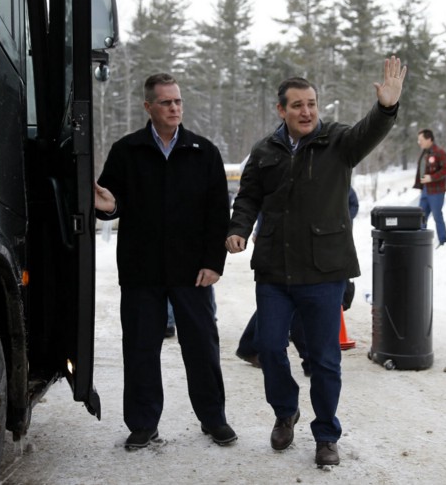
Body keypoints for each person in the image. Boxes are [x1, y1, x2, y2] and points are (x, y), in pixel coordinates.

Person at [226, 56, 407, 467]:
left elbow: (369, 132)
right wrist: (238, 228)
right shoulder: (264, 150)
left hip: (324, 270)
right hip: (274, 268)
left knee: (325, 358)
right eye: (297, 105)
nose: (306, 111)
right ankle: (285, 411)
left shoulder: (339, 142)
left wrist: (386, 108)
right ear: (281, 110)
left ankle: (326, 434)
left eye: (311, 103)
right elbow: (249, 197)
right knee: (269, 348)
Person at [94, 72, 236, 450]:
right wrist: (109, 208)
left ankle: (213, 418)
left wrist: (213, 262)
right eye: (166, 102)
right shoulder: (127, 150)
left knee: (202, 347)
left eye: (178, 102)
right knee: (140, 348)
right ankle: (142, 423)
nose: (174, 108)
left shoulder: (203, 151)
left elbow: (218, 212)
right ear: (148, 107)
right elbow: (111, 199)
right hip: (142, 269)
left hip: (193, 271)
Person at [236, 187, 359, 374]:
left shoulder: (328, 170)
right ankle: (309, 361)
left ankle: (252, 347)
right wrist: (260, 229)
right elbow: (267, 200)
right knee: (285, 302)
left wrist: (333, 227)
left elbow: (351, 203)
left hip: (320, 250)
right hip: (286, 249)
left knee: (287, 303)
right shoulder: (279, 165)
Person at [413, 128, 446, 247]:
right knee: (420, 217)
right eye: (418, 140)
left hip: (436, 191)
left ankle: (443, 241)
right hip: (425, 190)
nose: (419, 142)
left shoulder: (440, 152)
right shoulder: (424, 153)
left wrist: (432, 177)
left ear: (429, 139)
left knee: (437, 215)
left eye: (421, 140)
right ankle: (421, 243)